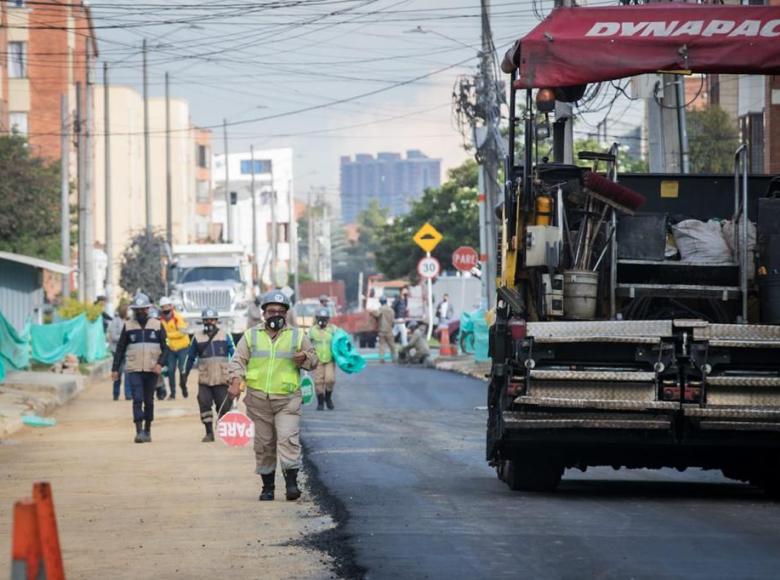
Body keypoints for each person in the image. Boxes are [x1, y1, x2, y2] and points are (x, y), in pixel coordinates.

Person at [228, 290, 318, 501]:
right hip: (258, 401)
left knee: (287, 439)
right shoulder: (251, 336)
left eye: (279, 311)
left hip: (287, 400)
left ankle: (291, 485)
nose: (275, 315)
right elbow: (238, 361)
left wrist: (304, 357)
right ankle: (267, 487)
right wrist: (234, 379)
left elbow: (314, 360)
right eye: (271, 311)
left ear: (286, 314)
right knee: (264, 444)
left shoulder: (297, 336)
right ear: (264, 313)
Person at [112, 293, 167, 443]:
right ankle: (138, 430)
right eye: (137, 310)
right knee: (137, 399)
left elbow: (165, 348)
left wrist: (160, 364)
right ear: (134, 310)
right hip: (134, 369)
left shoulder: (157, 325)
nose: (140, 312)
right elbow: (120, 348)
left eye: (143, 309)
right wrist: (115, 369)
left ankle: (147, 429)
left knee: (149, 401)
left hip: (152, 369)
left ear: (148, 309)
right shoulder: (128, 326)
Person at [183, 308, 235, 442]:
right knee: (204, 404)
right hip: (205, 380)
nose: (209, 322)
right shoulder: (197, 337)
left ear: (217, 321)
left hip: (222, 379)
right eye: (206, 320)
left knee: (224, 407)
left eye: (212, 320)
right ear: (202, 321)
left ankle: (226, 434)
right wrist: (184, 375)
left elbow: (235, 355)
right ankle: (209, 432)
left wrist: (236, 374)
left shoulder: (225, 335)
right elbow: (189, 357)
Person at [159, 296, 190, 400]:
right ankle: (172, 394)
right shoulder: (161, 320)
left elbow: (183, 332)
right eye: (163, 307)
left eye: (167, 306)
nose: (165, 309)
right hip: (171, 349)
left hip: (182, 347)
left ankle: (183, 386)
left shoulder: (177, 317)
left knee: (182, 369)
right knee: (171, 370)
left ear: (171, 306)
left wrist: (168, 335)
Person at [309, 308, 338, 411]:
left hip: (330, 359)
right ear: (317, 319)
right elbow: (306, 343)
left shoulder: (333, 329)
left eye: (325, 318)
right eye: (320, 318)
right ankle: (320, 402)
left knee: (330, 379)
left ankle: (328, 398)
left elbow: (341, 341)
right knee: (318, 382)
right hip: (318, 360)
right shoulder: (312, 330)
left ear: (328, 319)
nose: (323, 321)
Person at [107, 302, 131, 401]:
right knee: (118, 372)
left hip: (128, 350)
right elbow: (113, 336)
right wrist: (124, 337)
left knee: (128, 372)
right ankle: (116, 393)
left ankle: (128, 394)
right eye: (127, 311)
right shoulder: (115, 321)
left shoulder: (130, 321)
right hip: (117, 350)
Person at [371, 296, 396, 363]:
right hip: (389, 330)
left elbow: (377, 315)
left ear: (381, 302)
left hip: (382, 330)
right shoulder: (391, 310)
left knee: (382, 345)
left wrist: (371, 313)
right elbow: (393, 321)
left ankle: (382, 359)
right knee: (392, 346)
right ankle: (394, 359)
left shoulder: (381, 309)